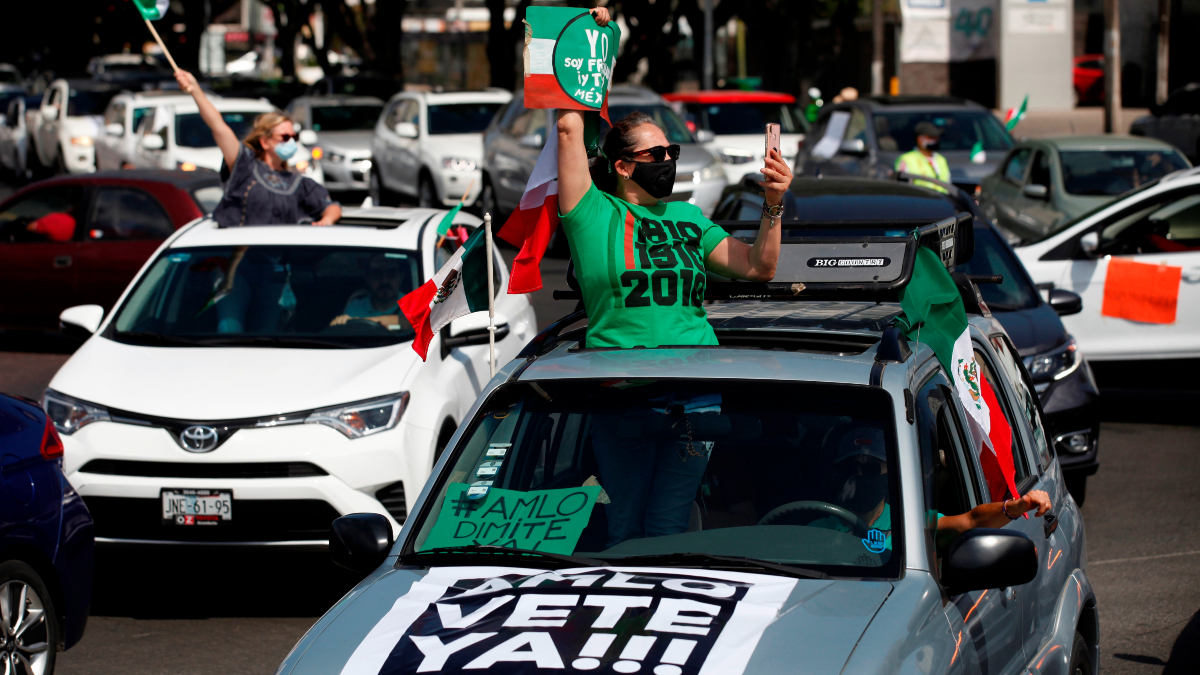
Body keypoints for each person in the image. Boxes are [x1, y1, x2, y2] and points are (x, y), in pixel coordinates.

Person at [558, 7, 790, 350]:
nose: (666, 161)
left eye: (671, 152)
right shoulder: (591, 212)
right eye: (655, 154)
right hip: (620, 388)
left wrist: (773, 203)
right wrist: (585, 41)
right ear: (622, 166)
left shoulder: (689, 218)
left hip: (696, 382)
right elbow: (568, 129)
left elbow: (759, 268)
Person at [810, 427, 1052, 554]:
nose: (860, 475)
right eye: (852, 467)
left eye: (871, 468)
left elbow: (972, 520)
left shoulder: (913, 528)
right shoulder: (815, 530)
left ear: (890, 475)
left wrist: (1016, 507)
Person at [172, 70, 341, 228]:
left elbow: (331, 206)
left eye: (294, 137)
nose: (291, 142)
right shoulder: (245, 167)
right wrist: (195, 90)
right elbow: (219, 127)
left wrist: (327, 220)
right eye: (285, 137)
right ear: (265, 142)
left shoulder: (300, 183)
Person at [329, 253, 413, 329]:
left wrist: (354, 322)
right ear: (368, 278)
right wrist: (341, 322)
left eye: (391, 273)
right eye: (377, 274)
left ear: (401, 277)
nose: (384, 280)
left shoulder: (412, 305)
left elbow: (410, 322)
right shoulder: (355, 307)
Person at [895, 121, 951, 193]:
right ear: (920, 139)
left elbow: (948, 185)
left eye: (937, 137)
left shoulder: (941, 159)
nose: (936, 140)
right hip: (919, 202)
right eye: (931, 137)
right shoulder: (907, 159)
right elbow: (902, 188)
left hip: (942, 202)